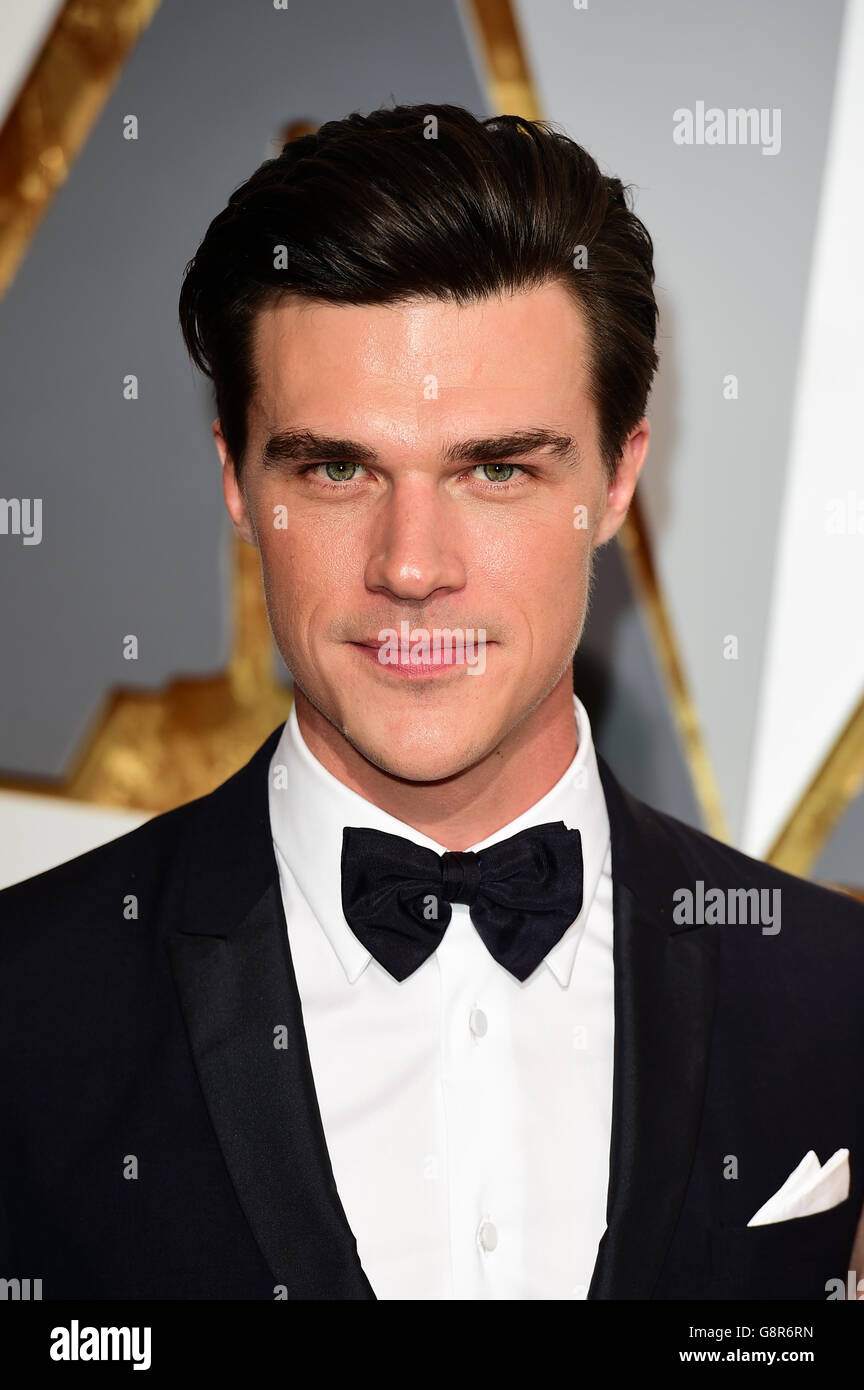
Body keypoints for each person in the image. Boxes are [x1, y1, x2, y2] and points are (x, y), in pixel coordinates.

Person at [1, 103, 861, 1301]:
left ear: (616, 479)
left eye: (497, 469)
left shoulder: (838, 995)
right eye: (338, 467)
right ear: (238, 484)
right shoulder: (27, 1007)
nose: (412, 566)